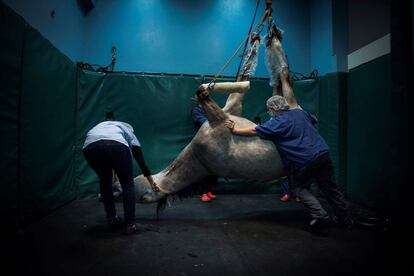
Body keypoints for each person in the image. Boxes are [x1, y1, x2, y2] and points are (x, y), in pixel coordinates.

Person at [225, 95, 353, 231]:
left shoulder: (276, 123)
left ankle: (319, 214)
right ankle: (345, 220)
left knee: (299, 188)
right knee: (330, 188)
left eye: (269, 109)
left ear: (273, 108)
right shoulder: (299, 113)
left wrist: (235, 130)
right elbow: (315, 119)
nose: (269, 111)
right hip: (323, 153)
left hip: (305, 159)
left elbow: (254, 130)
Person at [83, 121, 159, 235]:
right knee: (127, 184)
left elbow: (101, 142)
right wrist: (152, 182)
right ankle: (130, 225)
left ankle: (112, 218)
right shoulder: (128, 131)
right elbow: (141, 162)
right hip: (117, 146)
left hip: (90, 147)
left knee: (104, 181)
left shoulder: (102, 126)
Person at [190, 105, 218, 203]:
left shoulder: (211, 109)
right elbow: (205, 122)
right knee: (203, 169)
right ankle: (203, 193)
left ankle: (209, 191)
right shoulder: (196, 110)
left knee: (213, 169)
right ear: (197, 99)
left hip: (213, 142)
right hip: (202, 143)